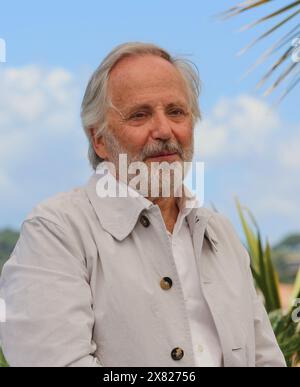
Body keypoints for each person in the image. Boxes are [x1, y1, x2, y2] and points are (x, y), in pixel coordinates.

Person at [0, 42, 286, 367]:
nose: (164, 130)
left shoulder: (221, 234)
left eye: (176, 112)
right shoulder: (55, 231)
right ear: (99, 140)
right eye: (140, 115)